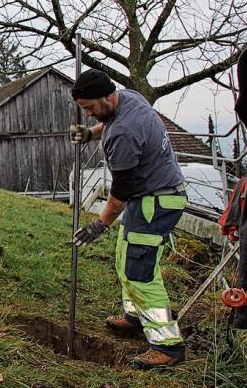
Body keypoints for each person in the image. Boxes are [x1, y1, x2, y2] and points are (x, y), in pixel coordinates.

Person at [70, 69, 187, 369]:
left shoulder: (124, 133)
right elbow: (108, 123)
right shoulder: (129, 97)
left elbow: (120, 192)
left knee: (140, 271)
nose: (88, 114)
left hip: (156, 201)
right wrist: (89, 133)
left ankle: (167, 345)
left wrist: (99, 224)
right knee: (125, 255)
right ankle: (135, 315)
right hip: (147, 196)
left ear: (107, 97)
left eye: (89, 108)